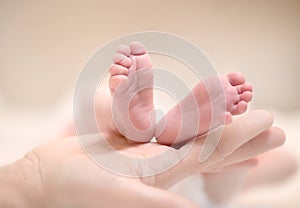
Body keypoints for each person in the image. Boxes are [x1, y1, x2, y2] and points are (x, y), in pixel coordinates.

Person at [0, 110, 290, 208]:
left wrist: (36, 175)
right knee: (277, 163)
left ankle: (125, 123)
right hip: (176, 170)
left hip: (84, 158)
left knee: (85, 124)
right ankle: (125, 122)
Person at [107, 41, 253, 144]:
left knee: (94, 101)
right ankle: (176, 130)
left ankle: (128, 124)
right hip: (204, 179)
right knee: (258, 162)